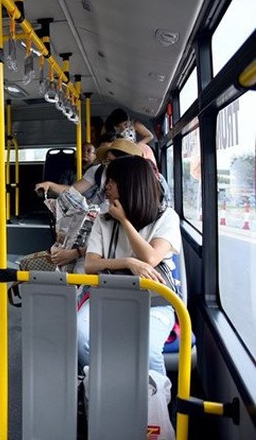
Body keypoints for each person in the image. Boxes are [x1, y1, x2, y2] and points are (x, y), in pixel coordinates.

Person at [78, 156, 182, 375]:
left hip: (154, 301)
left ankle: (154, 395)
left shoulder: (166, 217)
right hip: (109, 295)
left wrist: (124, 221)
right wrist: (128, 262)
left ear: (130, 184)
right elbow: (90, 264)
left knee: (148, 350)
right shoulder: (103, 220)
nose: (106, 186)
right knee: (81, 336)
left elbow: (151, 258)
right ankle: (101, 384)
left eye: (112, 181)